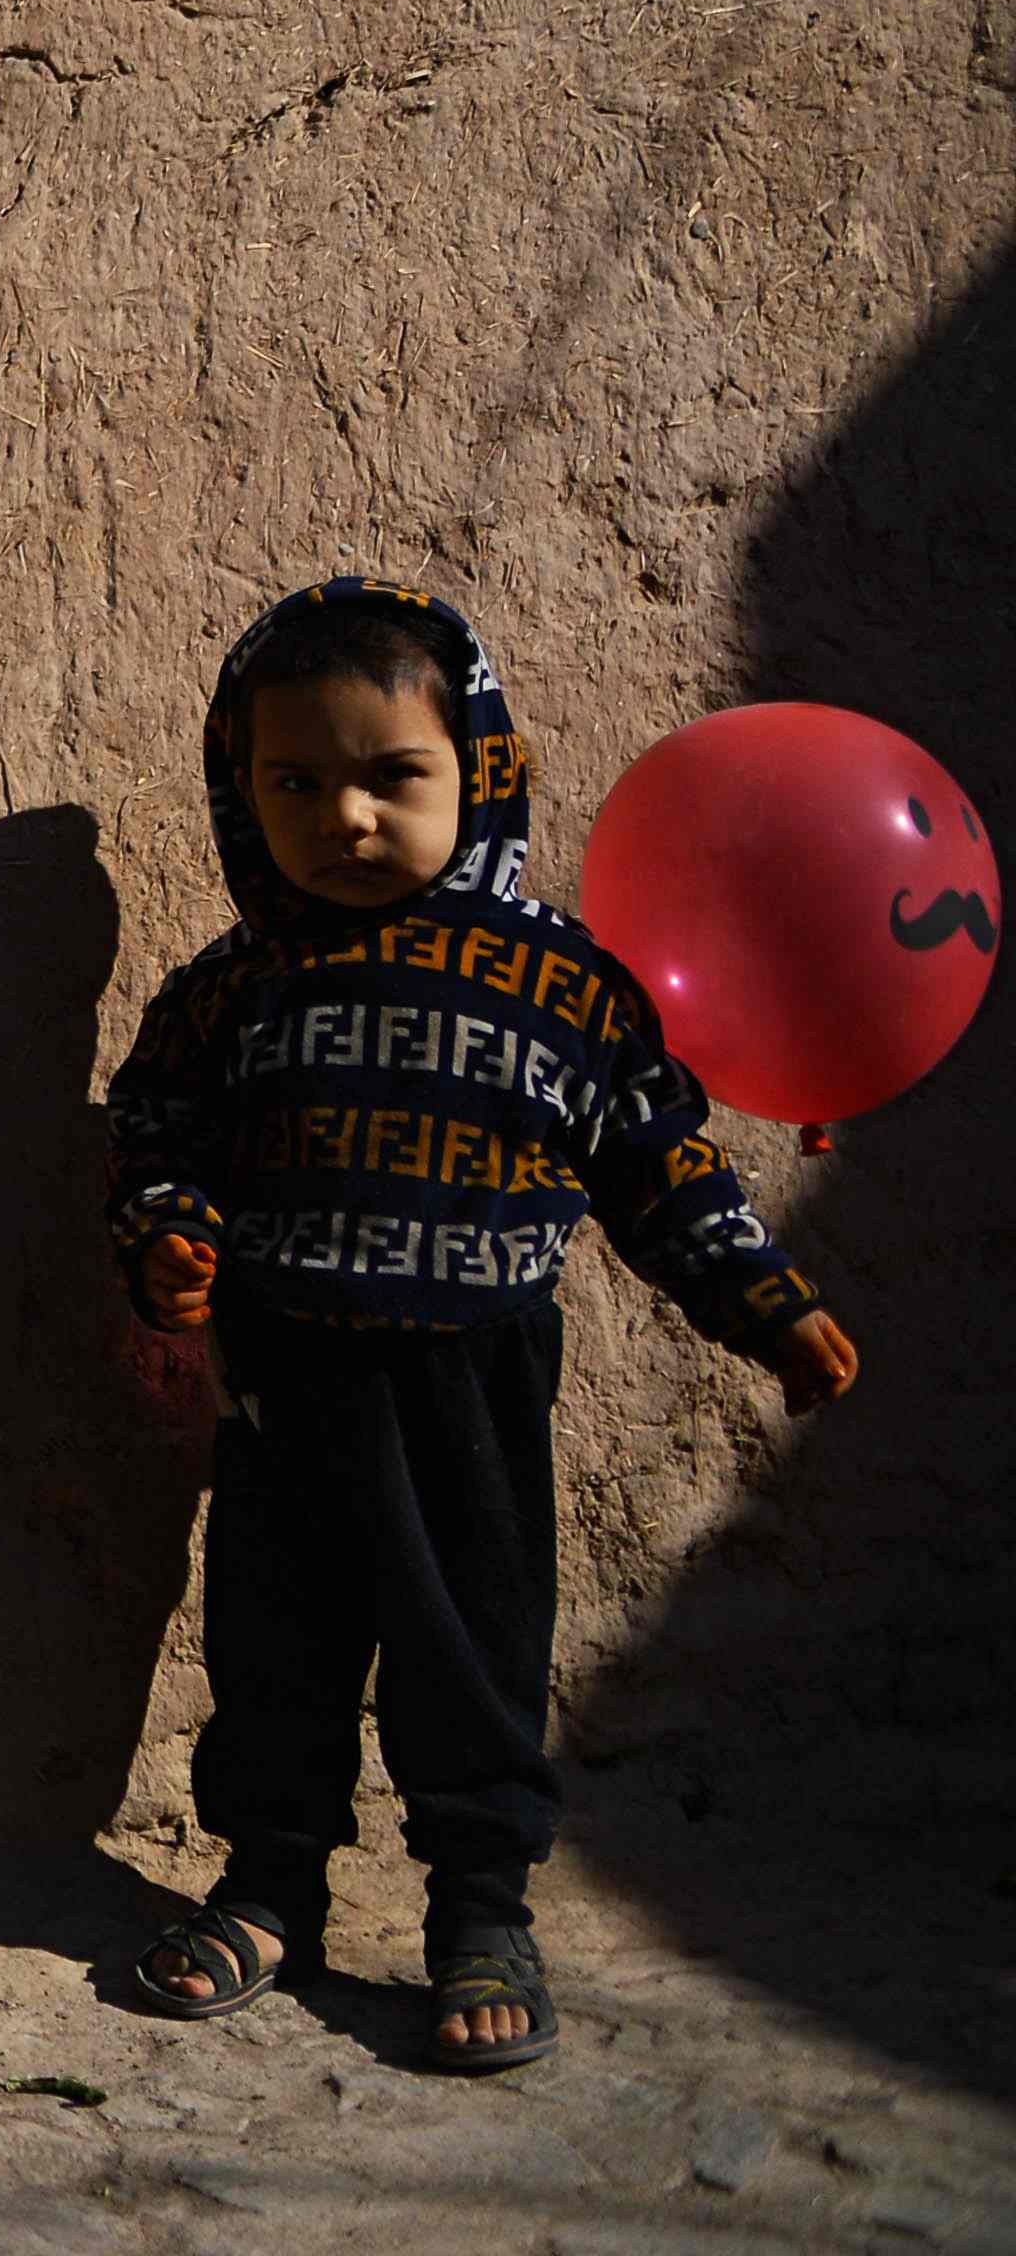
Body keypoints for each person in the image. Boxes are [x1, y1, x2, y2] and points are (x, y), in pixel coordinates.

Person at [103, 576, 861, 2075]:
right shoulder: (239, 987)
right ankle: (270, 1883)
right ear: (243, 793)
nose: (348, 818)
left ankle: (480, 1907)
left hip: (474, 1383)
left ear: (481, 776)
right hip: (286, 1382)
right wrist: (167, 1236)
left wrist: (762, 1300)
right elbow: (155, 1124)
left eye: (395, 776)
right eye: (297, 783)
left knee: (472, 1644)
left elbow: (659, 1163)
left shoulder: (564, 987)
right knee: (278, 1642)